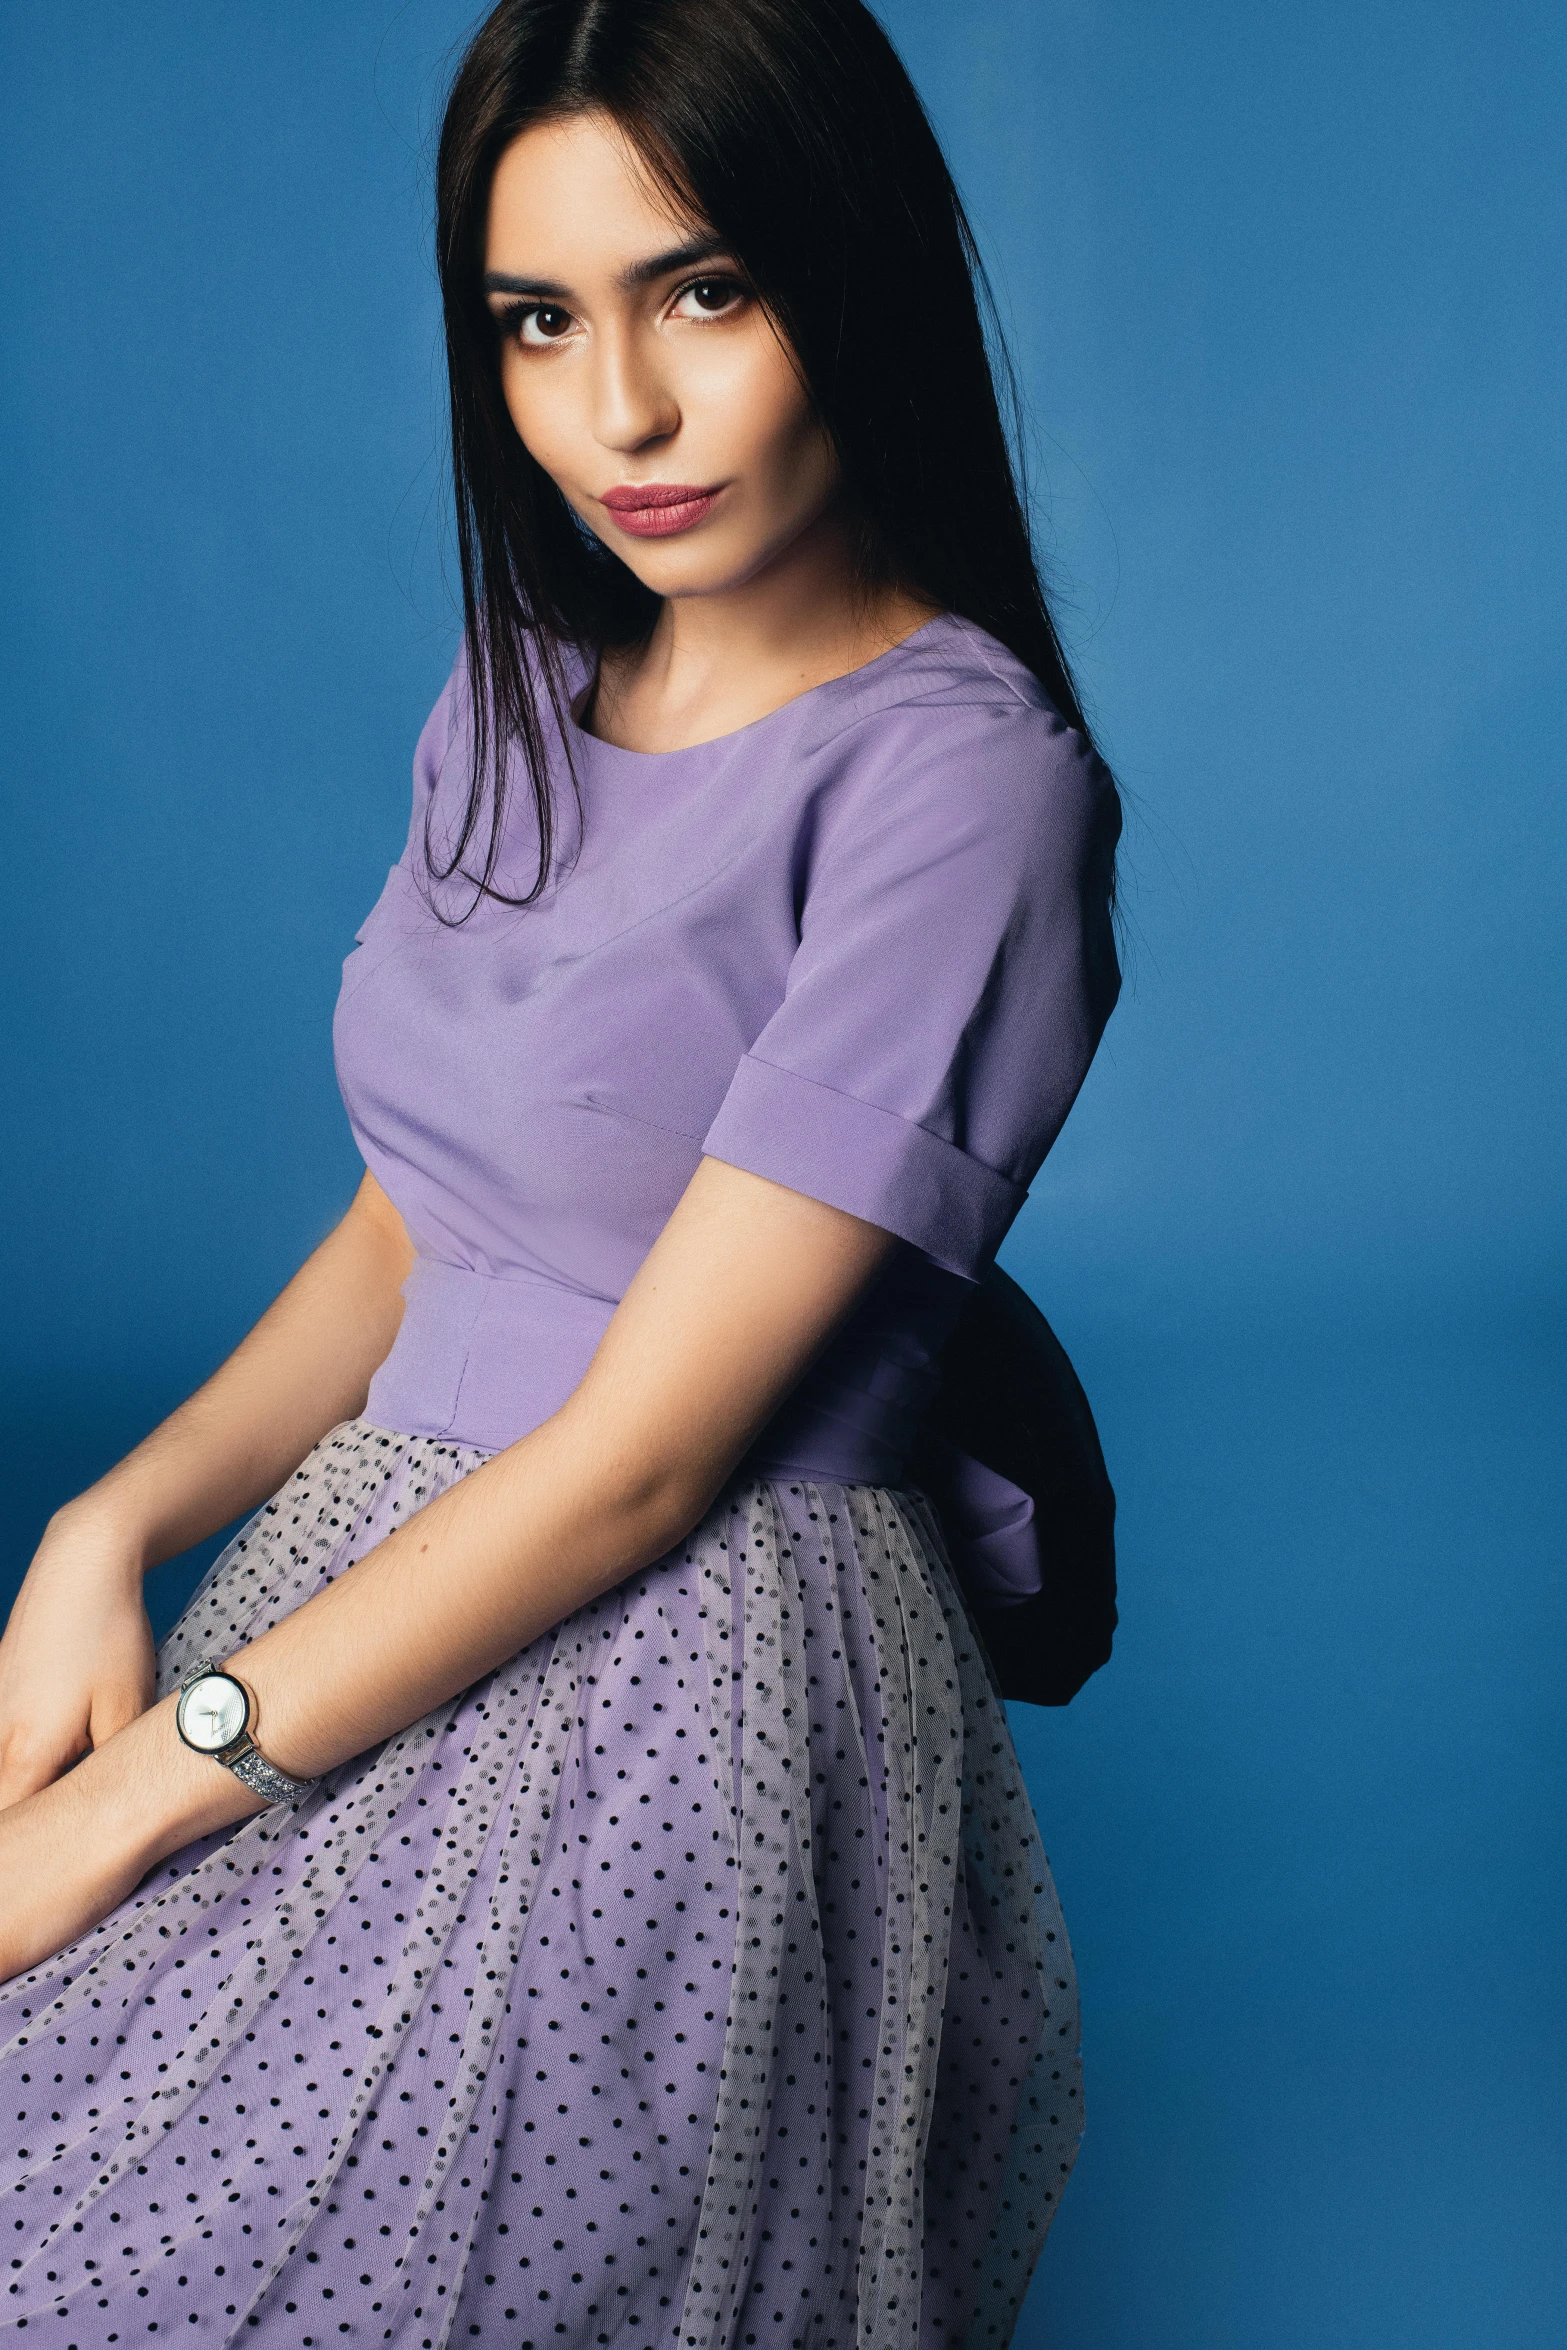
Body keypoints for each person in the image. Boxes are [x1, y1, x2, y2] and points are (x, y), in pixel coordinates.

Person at [0, 1, 1121, 2342]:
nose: (619, 411)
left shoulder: (961, 785)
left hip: (680, 1664)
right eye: (538, 319)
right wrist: (105, 1524)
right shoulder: (518, 692)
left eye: (703, 289)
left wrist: (135, 1795)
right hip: (371, 1579)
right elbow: (424, 1221)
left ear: (859, 275)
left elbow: (641, 1460)